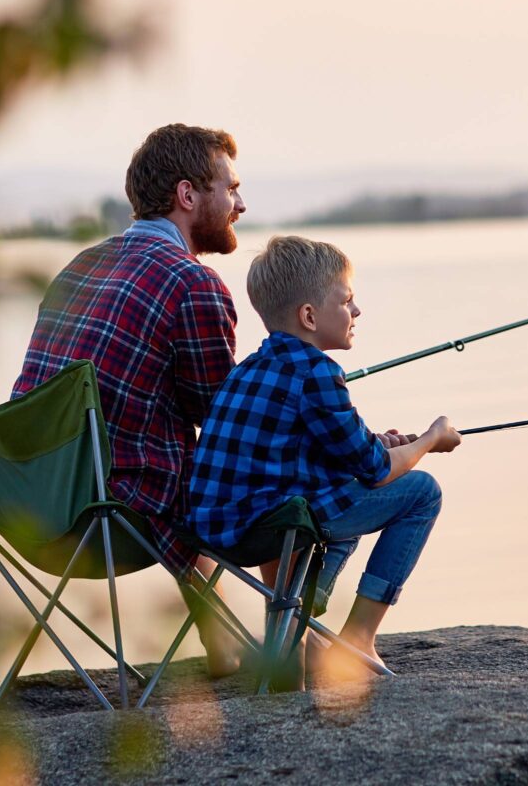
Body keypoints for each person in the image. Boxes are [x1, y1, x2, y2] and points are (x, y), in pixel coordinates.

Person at [12, 123, 247, 675]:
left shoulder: (80, 265)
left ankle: (225, 644)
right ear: (188, 195)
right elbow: (220, 424)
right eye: (230, 188)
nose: (241, 203)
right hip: (107, 518)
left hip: (27, 504)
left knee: (174, 458)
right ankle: (274, 646)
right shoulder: (193, 284)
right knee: (240, 464)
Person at [186, 236, 461, 680]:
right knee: (421, 492)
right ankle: (357, 636)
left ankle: (299, 626)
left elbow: (306, 443)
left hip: (215, 533)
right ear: (310, 316)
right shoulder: (317, 372)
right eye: (348, 301)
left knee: (339, 488)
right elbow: (374, 469)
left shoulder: (247, 369)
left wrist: (379, 440)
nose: (357, 312)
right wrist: (431, 438)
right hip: (274, 528)